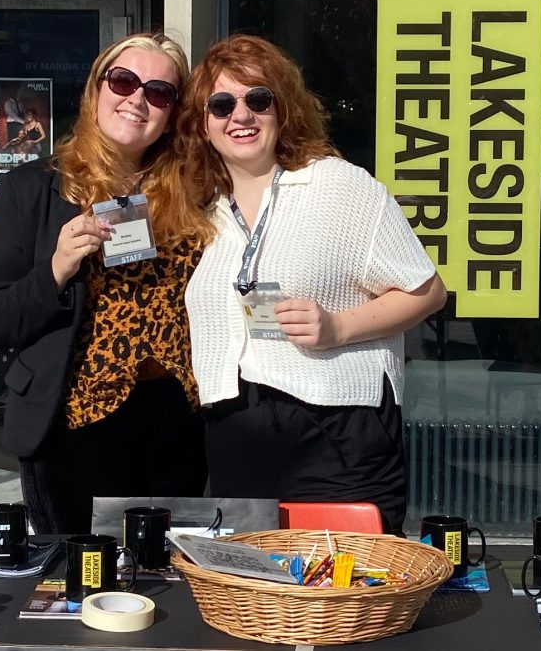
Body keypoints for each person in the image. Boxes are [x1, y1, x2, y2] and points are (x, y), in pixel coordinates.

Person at [179, 34, 447, 534]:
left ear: (283, 110)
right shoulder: (203, 211)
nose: (241, 115)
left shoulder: (338, 185)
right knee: (257, 595)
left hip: (335, 435)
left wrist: (338, 327)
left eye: (259, 99)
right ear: (202, 125)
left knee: (349, 596)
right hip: (235, 437)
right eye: (221, 104)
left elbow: (427, 291)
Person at [0, 33, 209, 534]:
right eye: (124, 81)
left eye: (159, 92)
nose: (137, 99)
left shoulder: (196, 191)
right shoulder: (33, 189)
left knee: (168, 585)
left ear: (173, 111)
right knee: (78, 585)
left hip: (178, 422)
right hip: (74, 423)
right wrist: (57, 267)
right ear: (96, 88)